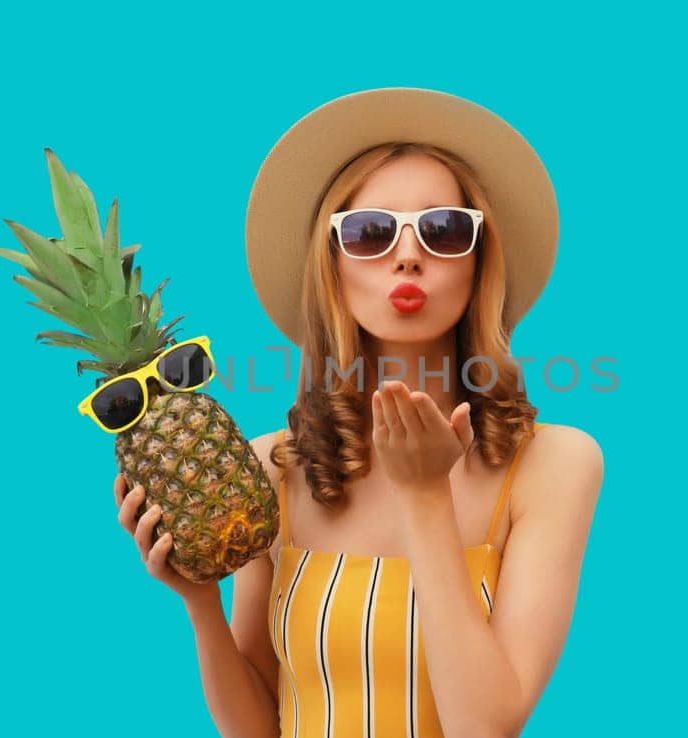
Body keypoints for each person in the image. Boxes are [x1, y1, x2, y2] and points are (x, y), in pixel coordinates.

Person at [116, 87, 603, 738]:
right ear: (333, 264)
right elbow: (258, 727)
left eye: (444, 229)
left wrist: (425, 495)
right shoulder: (272, 468)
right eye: (370, 232)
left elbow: (485, 727)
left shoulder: (553, 464)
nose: (408, 255)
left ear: (479, 261)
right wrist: (201, 601)